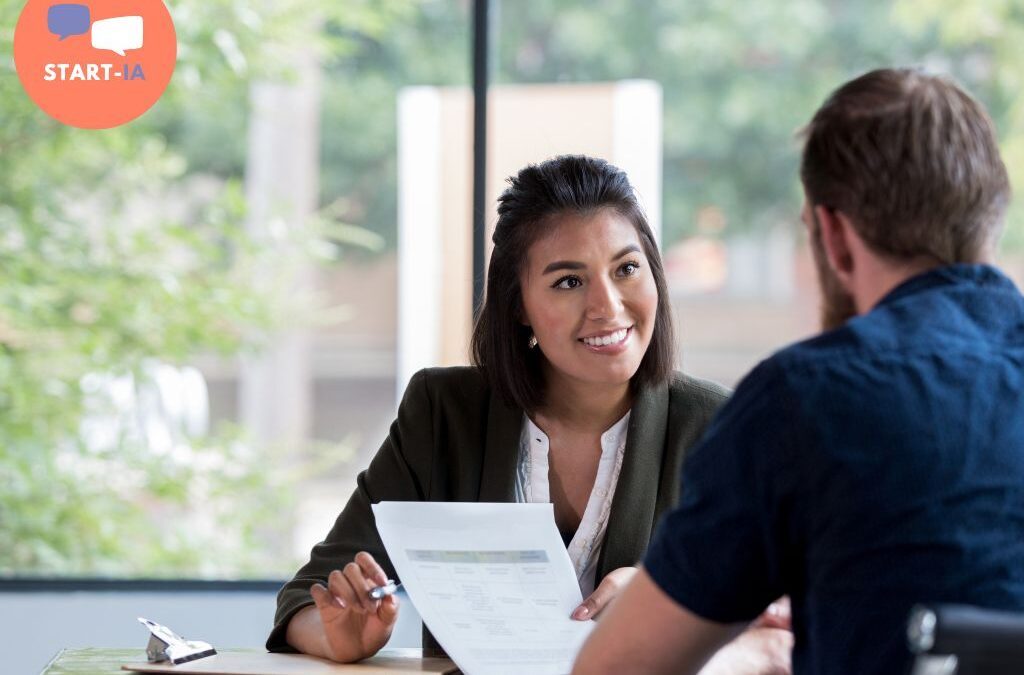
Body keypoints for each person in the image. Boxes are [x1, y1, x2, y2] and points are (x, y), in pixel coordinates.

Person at [572, 67, 1024, 675]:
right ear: (992, 212)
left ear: (833, 235)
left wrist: (757, 651)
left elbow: (614, 669)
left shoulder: (806, 399)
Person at [266, 155, 790, 670]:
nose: (608, 306)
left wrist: (666, 602)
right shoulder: (444, 414)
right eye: (569, 281)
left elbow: (787, 620)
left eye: (627, 268)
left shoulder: (718, 427)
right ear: (518, 305)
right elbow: (304, 601)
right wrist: (339, 637)